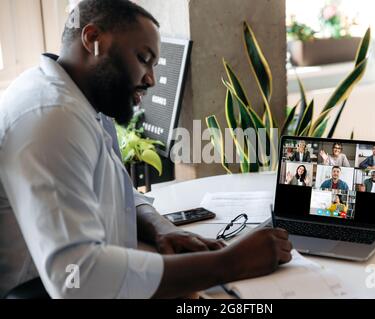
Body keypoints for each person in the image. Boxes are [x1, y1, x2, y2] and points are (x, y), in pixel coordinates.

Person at [0, 0, 292, 299]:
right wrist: (230, 263)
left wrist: (161, 227)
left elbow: (114, 191)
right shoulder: (52, 117)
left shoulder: (82, 101)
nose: (150, 79)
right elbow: (77, 278)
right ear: (93, 40)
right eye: (143, 58)